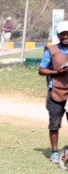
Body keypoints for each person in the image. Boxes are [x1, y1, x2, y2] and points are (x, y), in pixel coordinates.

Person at [39, 21, 68, 165]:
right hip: (56, 92)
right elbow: (41, 70)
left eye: (67, 34)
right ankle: (55, 152)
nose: (65, 37)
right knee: (54, 123)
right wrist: (57, 72)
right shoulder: (51, 50)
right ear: (58, 36)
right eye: (62, 34)